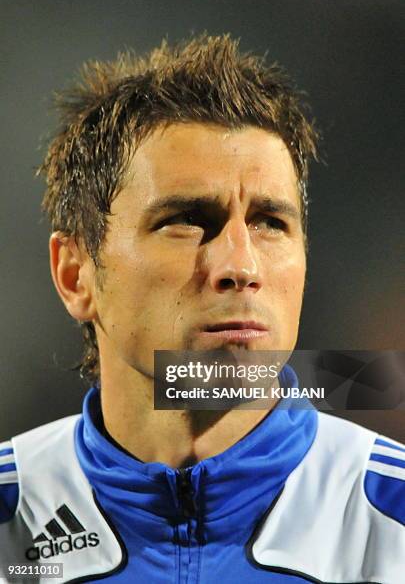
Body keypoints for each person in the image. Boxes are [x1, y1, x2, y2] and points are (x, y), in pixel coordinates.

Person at [0, 34, 404, 583]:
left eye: (269, 222)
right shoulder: (11, 521)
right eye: (186, 220)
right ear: (76, 275)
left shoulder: (391, 518)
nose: (241, 265)